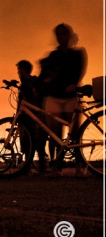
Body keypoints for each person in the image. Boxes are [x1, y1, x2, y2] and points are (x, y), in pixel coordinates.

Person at [38, 23, 87, 178]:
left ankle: (80, 166)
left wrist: (74, 83)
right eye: (58, 34)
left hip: (70, 97)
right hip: (54, 96)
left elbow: (79, 72)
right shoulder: (53, 55)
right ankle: (56, 166)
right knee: (55, 134)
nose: (61, 37)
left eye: (64, 34)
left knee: (75, 134)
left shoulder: (77, 54)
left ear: (69, 35)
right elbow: (44, 74)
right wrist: (41, 81)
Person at [15, 60, 47, 175]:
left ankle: (40, 167)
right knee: (28, 141)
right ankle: (30, 167)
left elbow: (37, 97)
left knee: (38, 140)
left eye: (19, 70)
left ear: (23, 70)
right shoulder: (25, 84)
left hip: (35, 114)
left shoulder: (33, 82)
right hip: (26, 115)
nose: (18, 73)